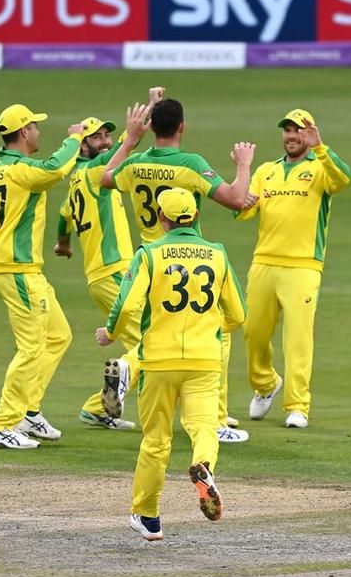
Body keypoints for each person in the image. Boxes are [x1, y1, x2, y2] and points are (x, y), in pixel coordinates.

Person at [100, 93, 255, 443]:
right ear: (183, 126)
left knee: (157, 334)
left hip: (149, 259)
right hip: (187, 257)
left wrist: (130, 139)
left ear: (152, 125)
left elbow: (107, 178)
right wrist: (244, 166)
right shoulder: (189, 163)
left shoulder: (137, 162)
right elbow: (233, 198)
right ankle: (213, 420)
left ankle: (129, 366)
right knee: (218, 332)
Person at [95, 187, 246, 541]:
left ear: (162, 219)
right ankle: (204, 466)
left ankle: (148, 517)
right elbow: (238, 315)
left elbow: (127, 304)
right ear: (194, 216)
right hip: (205, 360)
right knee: (204, 426)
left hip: (159, 362)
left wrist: (110, 333)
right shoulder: (218, 254)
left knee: (156, 440)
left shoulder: (150, 253)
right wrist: (210, 329)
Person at [0, 104, 86, 448]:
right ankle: (1, 424)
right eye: (35, 127)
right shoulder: (20, 170)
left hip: (20, 269)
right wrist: (74, 138)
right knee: (31, 348)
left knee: (58, 335)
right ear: (24, 131)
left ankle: (28, 411)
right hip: (17, 270)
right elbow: (55, 169)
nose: (39, 132)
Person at [236, 108, 351, 429]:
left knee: (297, 339)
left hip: (302, 266)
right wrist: (244, 202)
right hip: (264, 262)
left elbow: (343, 178)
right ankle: (265, 384)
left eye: (298, 130)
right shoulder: (266, 171)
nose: (291, 135)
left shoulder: (319, 168)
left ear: (309, 133)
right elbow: (244, 210)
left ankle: (297, 404)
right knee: (253, 333)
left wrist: (321, 147)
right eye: (287, 130)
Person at [54, 96, 154, 431]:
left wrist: (63, 244)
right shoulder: (95, 171)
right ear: (82, 146)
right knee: (152, 342)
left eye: (107, 136)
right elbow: (116, 157)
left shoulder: (75, 182)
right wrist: (134, 135)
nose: (106, 141)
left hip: (104, 275)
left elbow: (63, 216)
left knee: (150, 340)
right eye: (97, 137)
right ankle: (119, 383)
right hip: (114, 273)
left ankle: (97, 409)